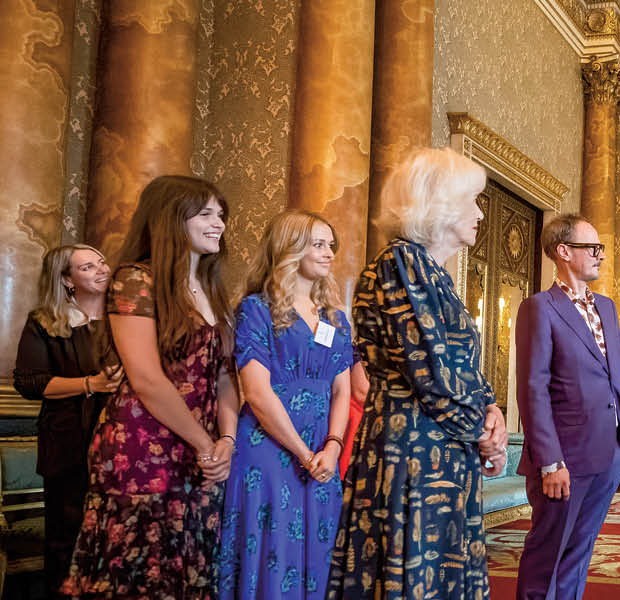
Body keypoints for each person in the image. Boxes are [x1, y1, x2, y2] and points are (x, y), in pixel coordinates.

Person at [328, 147, 507, 600]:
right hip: (413, 452)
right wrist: (482, 433)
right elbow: (432, 371)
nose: (480, 213)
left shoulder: (433, 273)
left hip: (441, 449)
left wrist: (492, 411)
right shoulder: (402, 264)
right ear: (440, 205)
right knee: (413, 579)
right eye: (472, 201)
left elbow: (462, 366)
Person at [63, 175, 240, 599]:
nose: (218, 223)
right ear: (170, 219)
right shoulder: (135, 279)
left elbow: (223, 375)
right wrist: (205, 442)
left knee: (190, 570)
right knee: (140, 577)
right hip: (143, 449)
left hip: (200, 455)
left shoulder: (213, 288)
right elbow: (146, 379)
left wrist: (227, 439)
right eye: (205, 214)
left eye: (221, 214)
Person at [218, 210, 353, 599]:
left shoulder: (335, 318)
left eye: (331, 245)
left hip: (322, 455)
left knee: (318, 548)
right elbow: (256, 392)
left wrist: (331, 447)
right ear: (290, 248)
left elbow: (341, 390)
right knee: (273, 548)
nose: (329, 253)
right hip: (269, 446)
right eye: (318, 244)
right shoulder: (257, 309)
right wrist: (302, 451)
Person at [514, 213, 620, 600]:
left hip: (610, 451)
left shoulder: (608, 307)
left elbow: (615, 376)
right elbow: (533, 389)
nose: (601, 255)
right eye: (592, 248)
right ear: (564, 251)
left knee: (579, 555)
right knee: (546, 557)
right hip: (564, 460)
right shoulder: (540, 308)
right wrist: (550, 461)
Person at [12, 244, 123, 595]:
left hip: (119, 443)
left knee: (112, 537)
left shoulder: (125, 317)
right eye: (88, 267)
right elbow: (29, 381)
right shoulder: (45, 321)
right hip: (67, 443)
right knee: (66, 537)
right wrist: (91, 384)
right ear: (67, 280)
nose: (102, 269)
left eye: (102, 262)